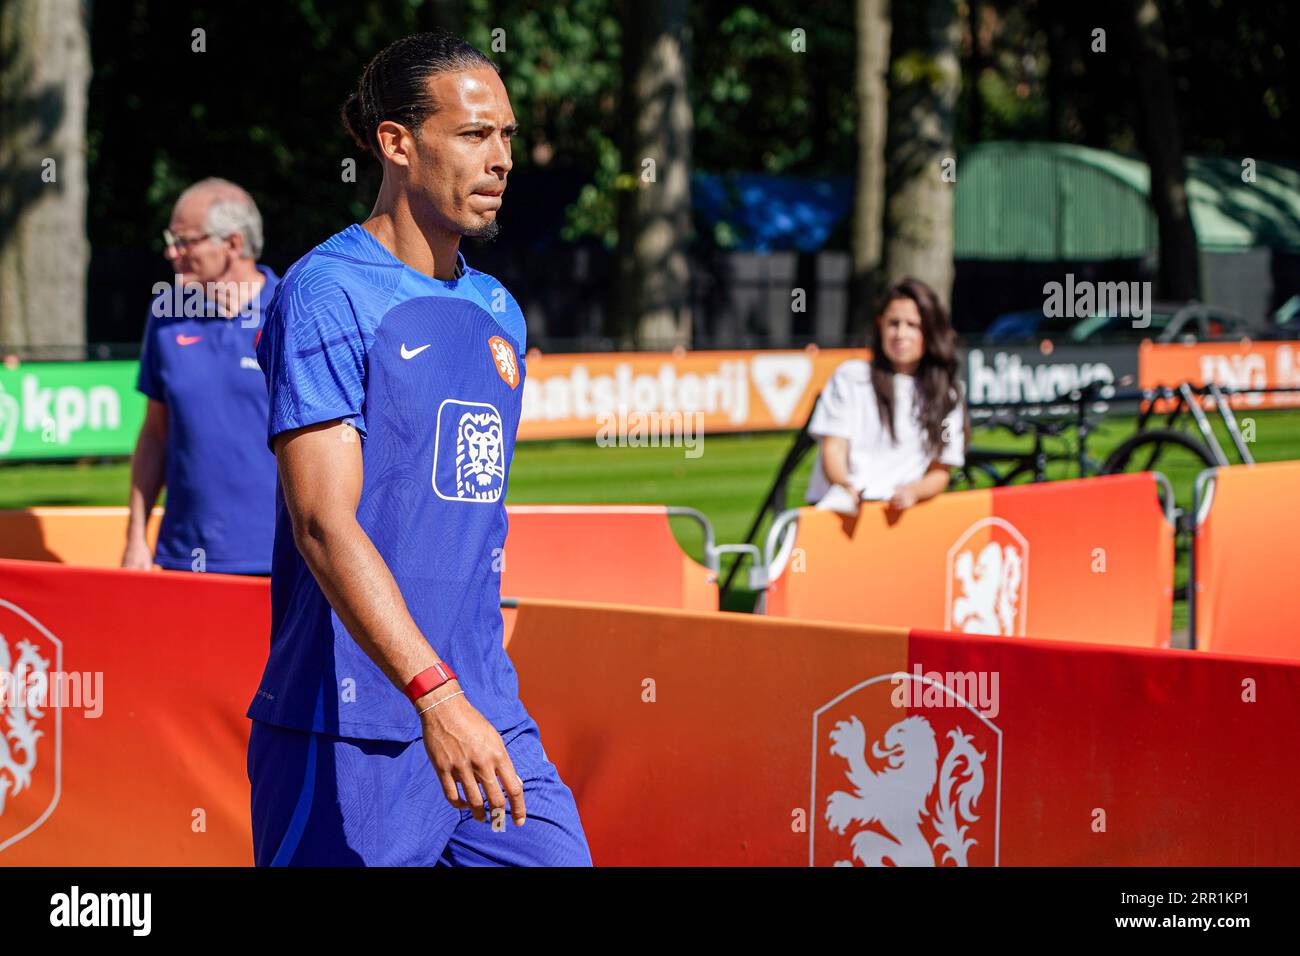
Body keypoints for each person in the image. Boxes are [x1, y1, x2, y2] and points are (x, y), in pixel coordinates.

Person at [245, 31, 591, 867]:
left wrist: (461, 697)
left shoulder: (499, 308)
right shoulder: (327, 292)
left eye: (507, 135)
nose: (501, 159)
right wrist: (433, 698)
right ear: (397, 143)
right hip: (348, 727)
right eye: (475, 135)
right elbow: (324, 524)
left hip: (485, 711)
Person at [123, 178, 279, 574]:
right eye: (171, 239)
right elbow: (155, 433)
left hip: (283, 557)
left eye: (185, 241)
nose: (171, 252)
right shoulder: (165, 316)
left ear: (232, 244)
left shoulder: (290, 313)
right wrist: (136, 538)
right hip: (184, 556)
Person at [805, 278, 966, 511]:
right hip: (842, 514)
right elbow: (834, 447)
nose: (901, 334)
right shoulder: (850, 377)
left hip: (902, 520)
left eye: (913, 325)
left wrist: (913, 492)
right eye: (894, 323)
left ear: (930, 331)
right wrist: (844, 487)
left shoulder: (947, 396)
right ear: (880, 325)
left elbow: (941, 469)